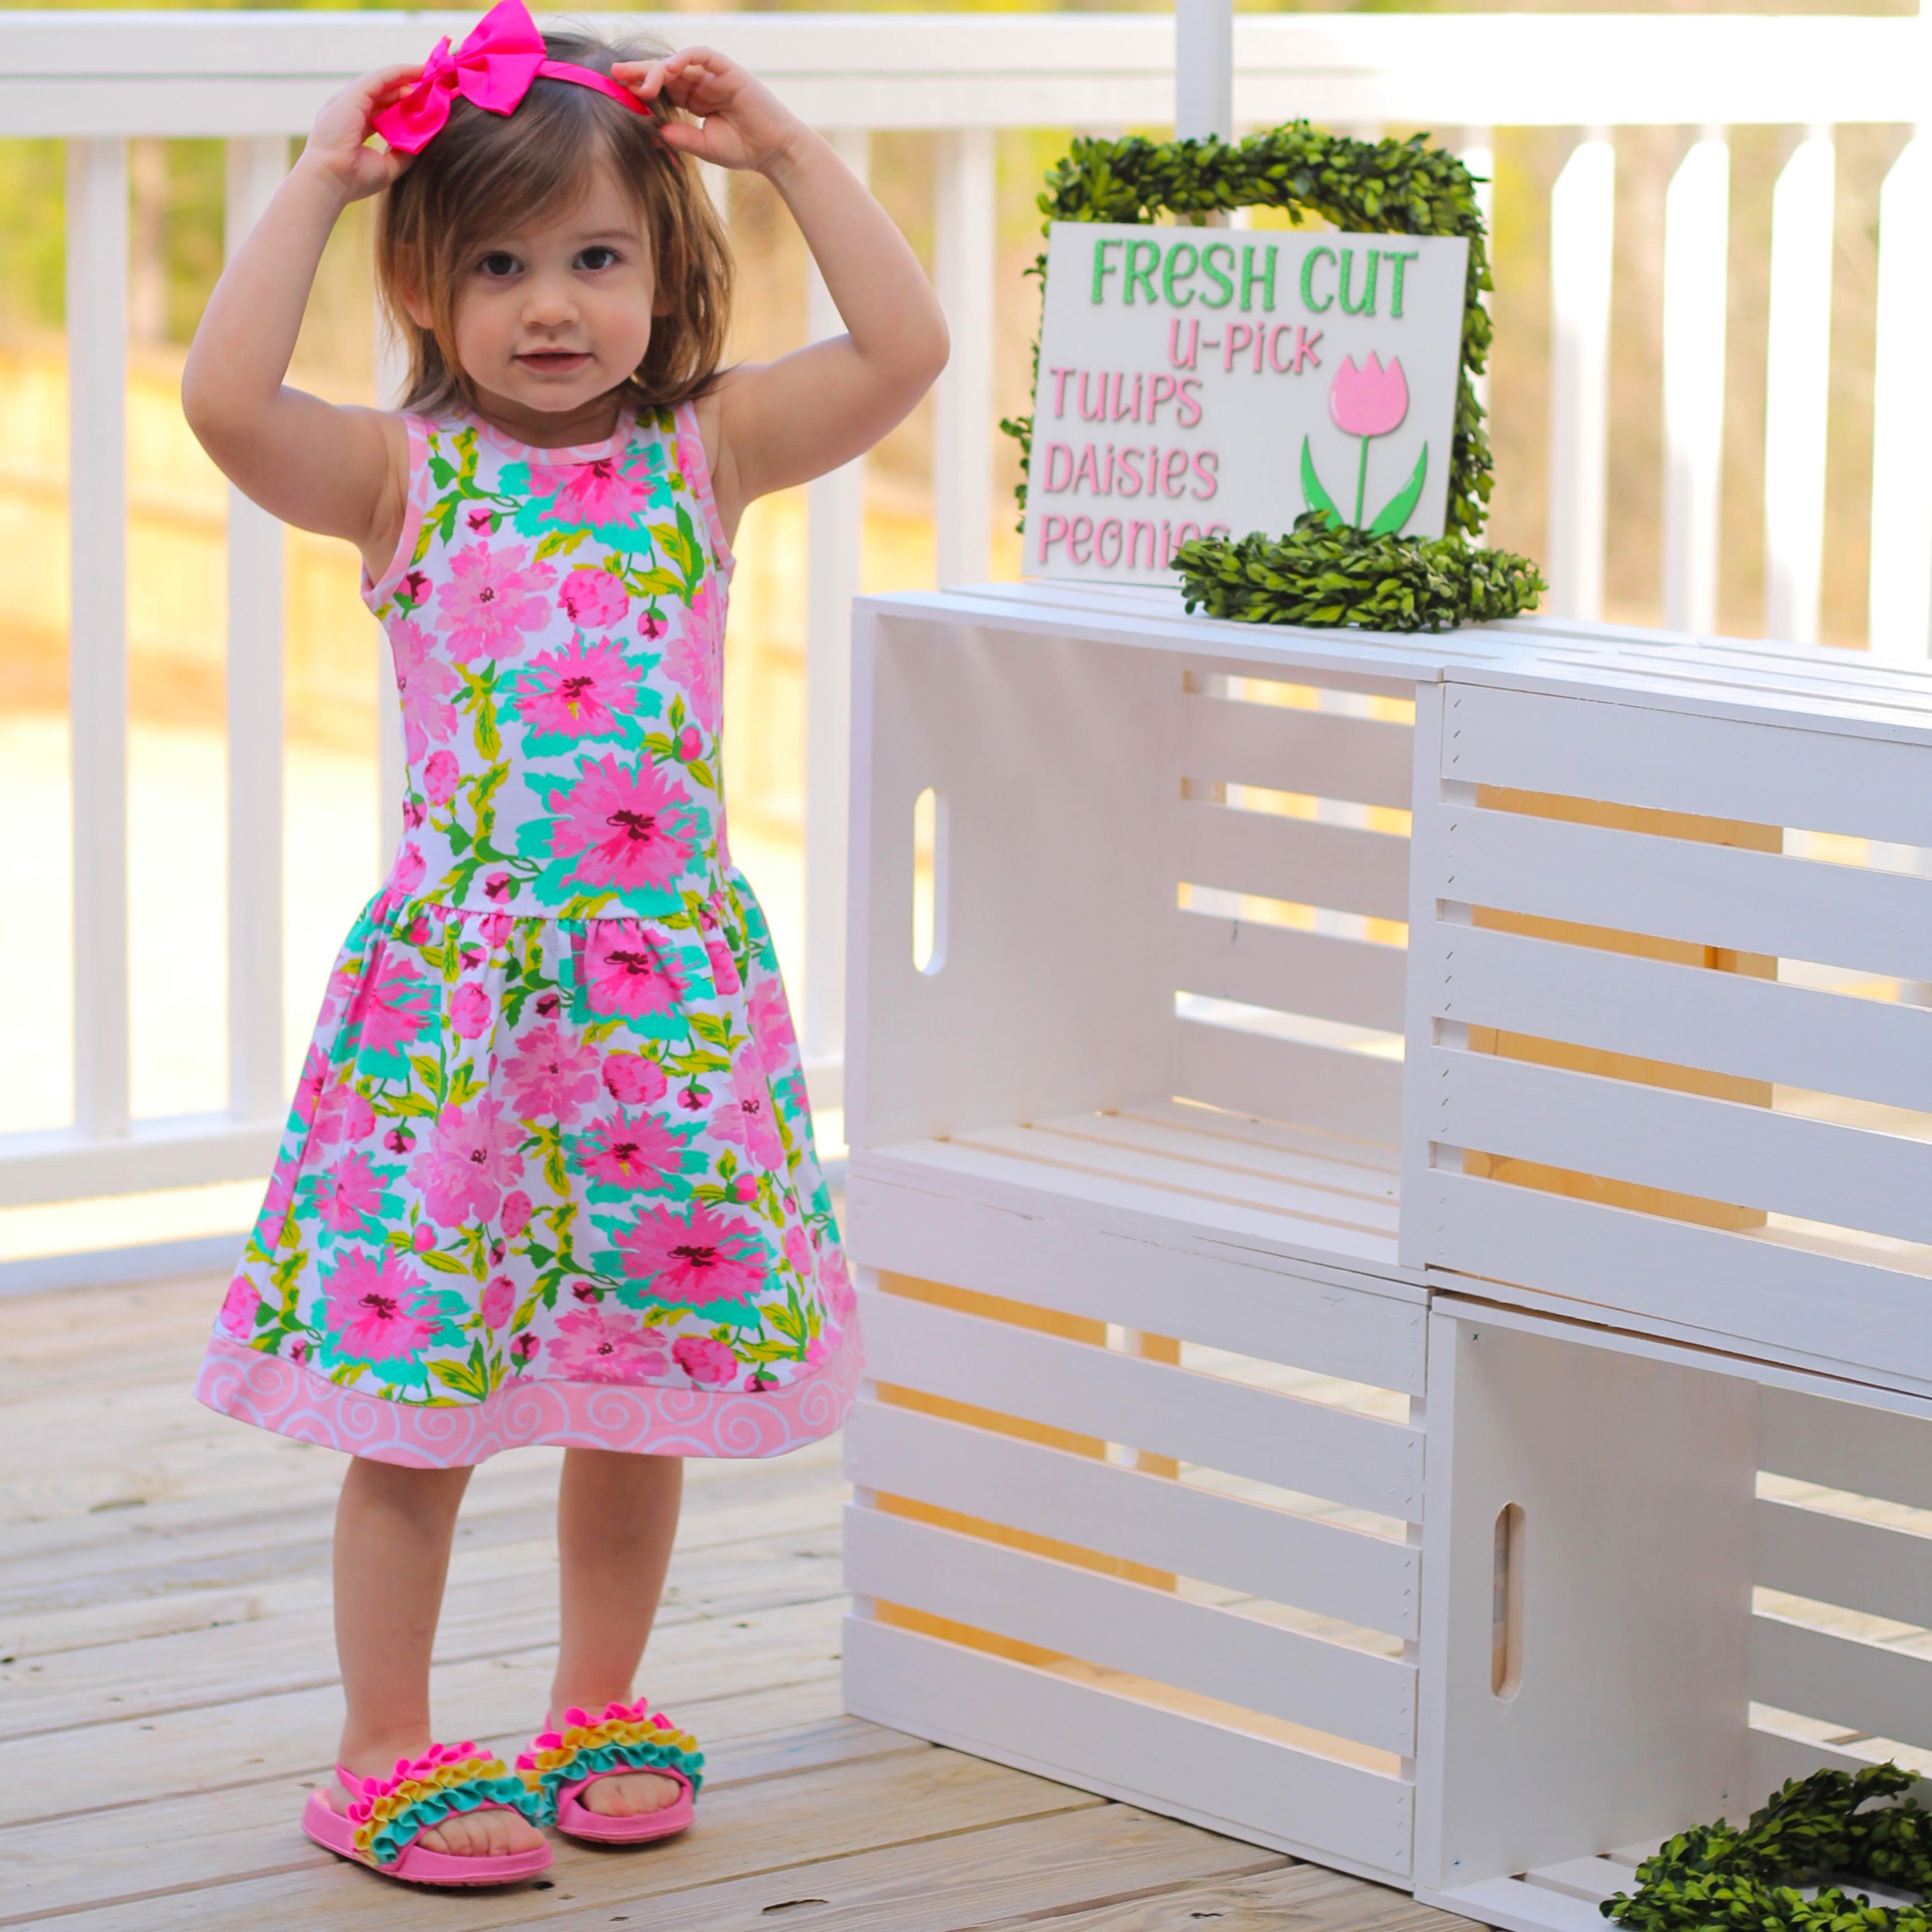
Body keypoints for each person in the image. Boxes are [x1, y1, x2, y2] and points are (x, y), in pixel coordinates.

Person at [183, 0, 945, 1886]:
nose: (550, 305)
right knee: (420, 1397)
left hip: (657, 1021)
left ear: (665, 271)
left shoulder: (711, 453)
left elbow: (909, 345)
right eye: (499, 265)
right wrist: (324, 174)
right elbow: (218, 401)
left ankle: (598, 1700)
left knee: (642, 1371)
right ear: (427, 286)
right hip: (458, 1020)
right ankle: (383, 1748)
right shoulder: (400, 477)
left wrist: (780, 147)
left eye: (596, 259)